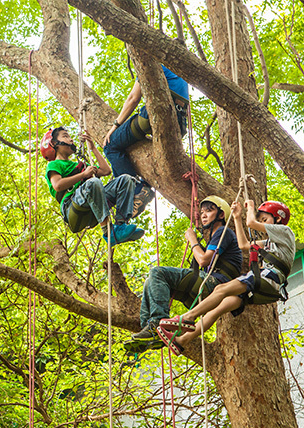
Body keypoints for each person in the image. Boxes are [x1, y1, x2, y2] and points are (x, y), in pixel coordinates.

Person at [156, 199, 295, 356]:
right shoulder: (272, 242)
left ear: (278, 219)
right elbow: (243, 245)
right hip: (268, 287)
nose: (262, 224)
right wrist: (236, 217)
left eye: (265, 219)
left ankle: (187, 317)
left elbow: (250, 223)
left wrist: (251, 208)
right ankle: (182, 341)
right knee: (217, 309)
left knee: (221, 289)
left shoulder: (285, 232)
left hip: (268, 278)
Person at [123, 196, 242, 354]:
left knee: (157, 272)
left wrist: (193, 240)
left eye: (209, 210)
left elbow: (204, 260)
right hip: (205, 291)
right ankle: (149, 329)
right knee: (150, 281)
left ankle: (157, 323)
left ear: (221, 215)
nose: (203, 215)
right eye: (202, 212)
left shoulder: (223, 231)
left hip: (215, 285)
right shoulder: (215, 238)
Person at [101, 65, 190, 218]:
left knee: (110, 145)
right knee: (155, 159)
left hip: (152, 117)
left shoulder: (150, 64)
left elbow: (133, 98)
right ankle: (145, 186)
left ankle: (135, 190)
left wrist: (115, 126)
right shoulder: (177, 70)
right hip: (180, 124)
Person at [43, 126, 145, 246]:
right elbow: (58, 185)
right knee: (93, 183)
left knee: (126, 179)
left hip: (90, 204)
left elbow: (106, 171)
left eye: (69, 136)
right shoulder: (54, 164)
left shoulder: (79, 165)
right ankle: (108, 232)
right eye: (65, 136)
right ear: (54, 143)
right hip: (72, 207)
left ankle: (120, 226)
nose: (71, 139)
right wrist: (84, 175)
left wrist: (93, 148)